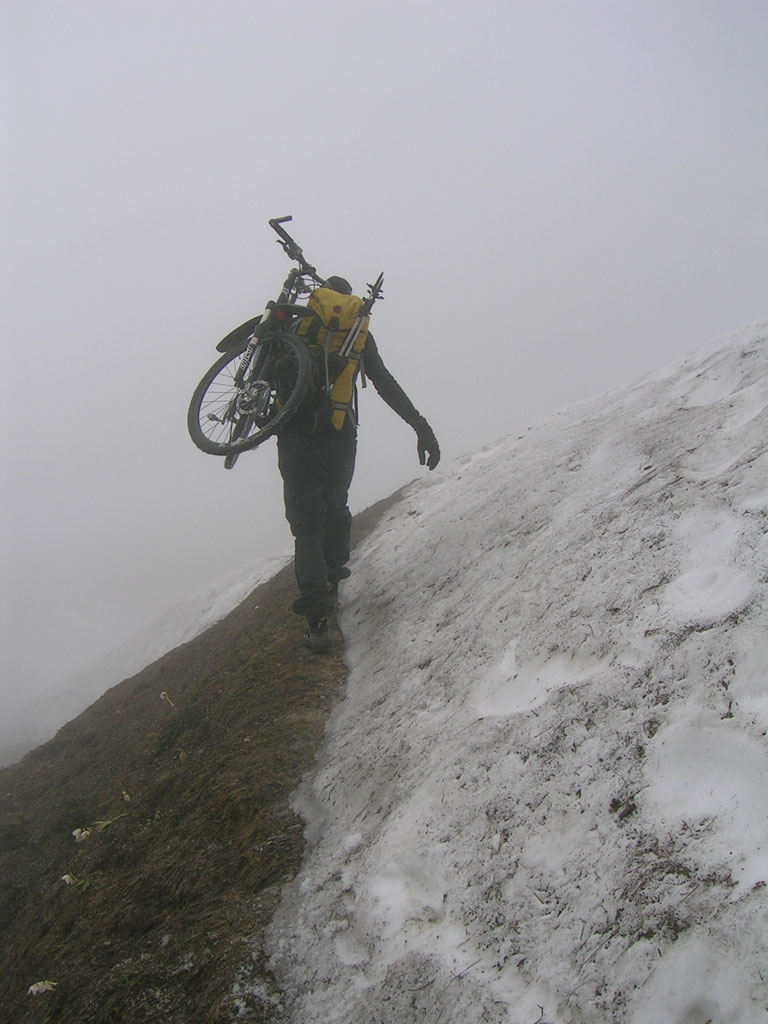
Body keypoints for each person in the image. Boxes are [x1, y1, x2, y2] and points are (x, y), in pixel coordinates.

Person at [277, 275, 440, 652]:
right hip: (339, 434)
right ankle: (333, 581)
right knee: (335, 508)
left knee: (306, 527)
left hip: (296, 437)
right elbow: (383, 382)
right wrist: (422, 427)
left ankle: (317, 622)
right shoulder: (358, 334)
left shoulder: (298, 324)